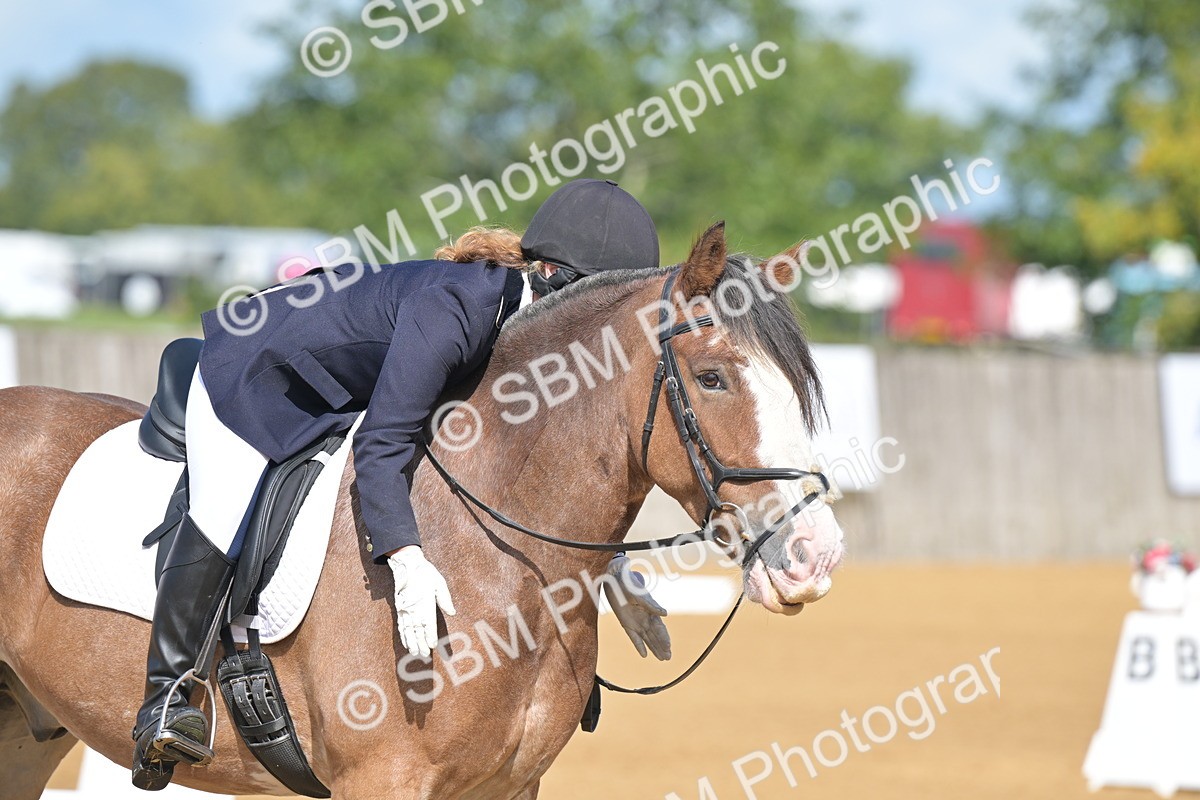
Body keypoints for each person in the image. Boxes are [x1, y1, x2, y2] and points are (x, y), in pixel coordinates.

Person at [131, 179, 672, 790]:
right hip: (254, 375)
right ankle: (168, 694)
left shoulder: (534, 336)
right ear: (548, 274)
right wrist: (406, 558)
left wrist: (613, 567)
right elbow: (382, 443)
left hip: (339, 386)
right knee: (223, 510)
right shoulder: (460, 307)